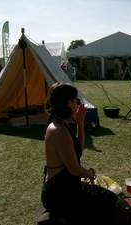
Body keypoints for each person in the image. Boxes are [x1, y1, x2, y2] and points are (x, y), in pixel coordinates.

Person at [41, 82, 121, 224]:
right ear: (67, 103)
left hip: (66, 187)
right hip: (59, 194)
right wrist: (91, 174)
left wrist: (80, 122)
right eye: (75, 100)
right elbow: (74, 169)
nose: (77, 103)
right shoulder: (58, 130)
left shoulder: (61, 124)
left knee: (107, 197)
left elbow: (78, 150)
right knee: (109, 200)